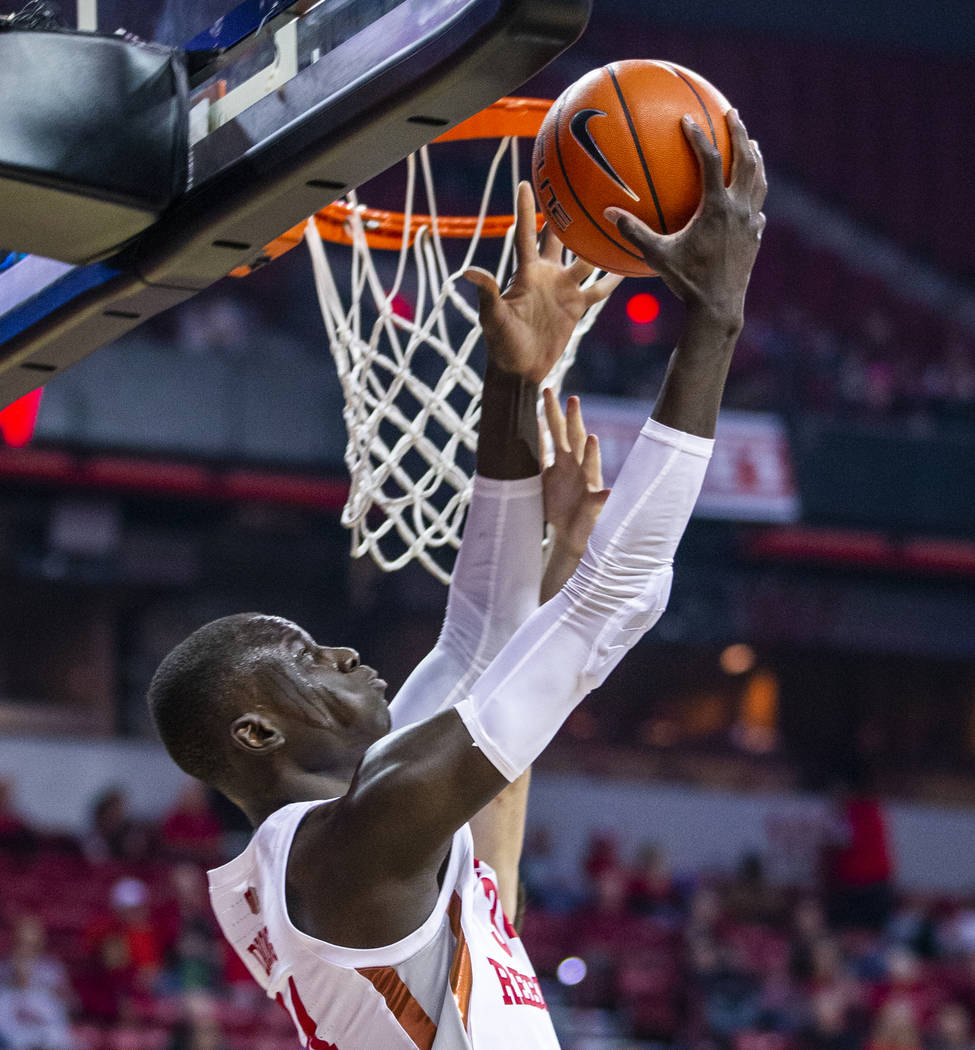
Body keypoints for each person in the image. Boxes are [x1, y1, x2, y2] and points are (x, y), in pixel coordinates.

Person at [148, 108, 766, 1048]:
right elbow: (612, 596)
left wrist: (515, 377)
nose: (345, 651)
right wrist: (715, 318)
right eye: (309, 654)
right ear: (259, 729)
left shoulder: (350, 831)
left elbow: (480, 634)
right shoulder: (363, 838)